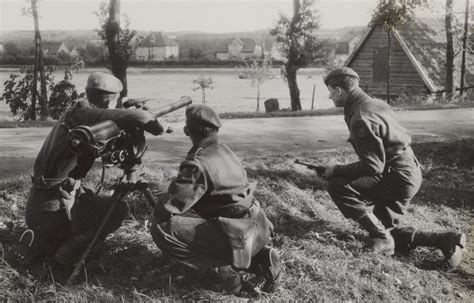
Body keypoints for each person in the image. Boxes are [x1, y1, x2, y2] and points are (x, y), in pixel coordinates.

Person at [16, 72, 166, 268]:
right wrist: (155, 123)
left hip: (37, 206)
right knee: (117, 209)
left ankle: (44, 242)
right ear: (111, 100)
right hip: (55, 211)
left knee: (92, 201)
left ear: (88, 92)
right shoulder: (88, 115)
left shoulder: (76, 113)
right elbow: (141, 117)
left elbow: (106, 147)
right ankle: (65, 255)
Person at [320, 67, 466, 266]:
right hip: (409, 173)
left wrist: (336, 170)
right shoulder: (374, 103)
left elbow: (373, 166)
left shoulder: (360, 118)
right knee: (384, 229)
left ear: (339, 90)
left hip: (396, 178)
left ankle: (382, 238)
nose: (329, 97)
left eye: (330, 91)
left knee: (337, 185)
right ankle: (445, 239)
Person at [149, 104, 282, 294]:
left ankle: (224, 276)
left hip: (238, 235)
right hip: (258, 227)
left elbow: (170, 206)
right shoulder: (224, 150)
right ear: (216, 129)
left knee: (161, 227)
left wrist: (161, 193)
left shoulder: (197, 163)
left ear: (187, 130)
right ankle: (261, 259)